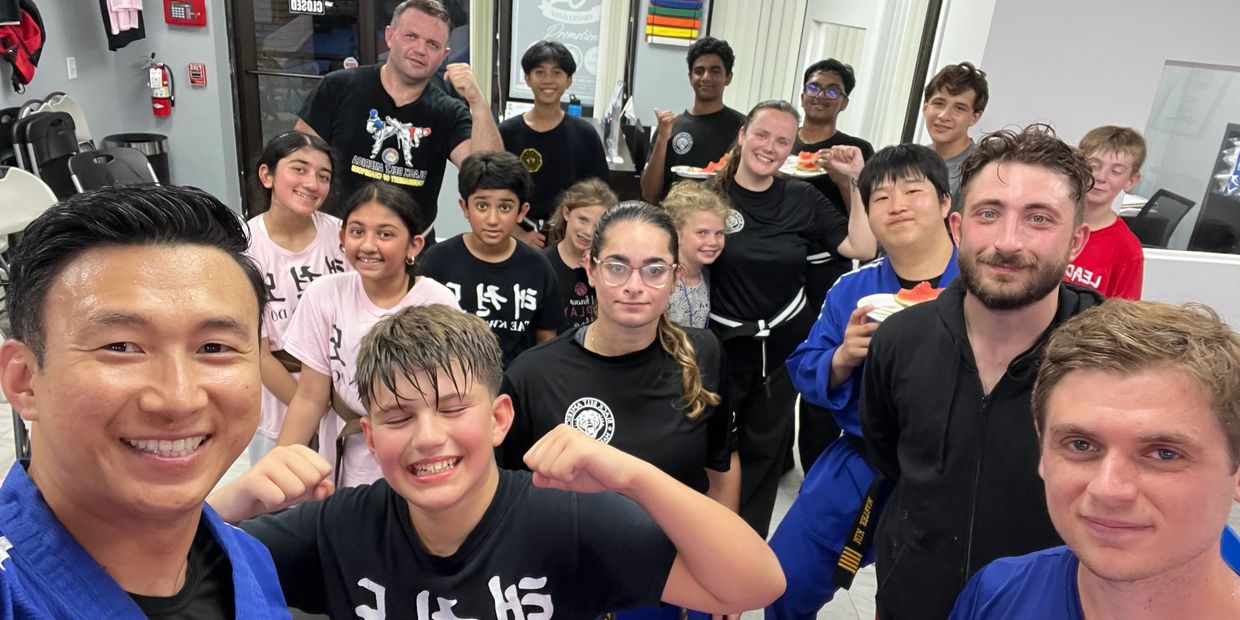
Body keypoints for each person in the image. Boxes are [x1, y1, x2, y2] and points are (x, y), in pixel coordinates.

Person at [208, 304, 786, 617]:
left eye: (453, 408)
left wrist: (634, 476)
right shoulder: (336, 527)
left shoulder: (568, 519)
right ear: (370, 434)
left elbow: (753, 585)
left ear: (499, 417)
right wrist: (232, 500)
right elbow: (143, 581)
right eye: (398, 417)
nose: (427, 438)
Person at [0, 185, 287, 616]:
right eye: (120, 347)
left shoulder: (250, 566)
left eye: (213, 348)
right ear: (24, 381)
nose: (177, 399)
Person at [861, 124, 1102, 620]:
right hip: (912, 592)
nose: (1007, 242)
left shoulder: (1114, 359)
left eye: (1038, 218)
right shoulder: (899, 341)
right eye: (988, 214)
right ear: (957, 227)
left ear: (1076, 241)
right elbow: (889, 457)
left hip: (1052, 602)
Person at [502, 201, 739, 618]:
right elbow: (502, 499)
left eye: (653, 269)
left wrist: (724, 566)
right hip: (570, 585)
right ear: (590, 270)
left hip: (673, 583)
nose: (634, 285)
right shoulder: (533, 375)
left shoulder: (704, 354)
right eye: (616, 266)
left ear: (675, 277)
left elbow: (721, 467)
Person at [951, 300, 1240, 619]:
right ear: (1043, 450)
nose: (1108, 490)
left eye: (1164, 453)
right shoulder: (997, 594)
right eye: (1081, 445)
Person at [768, 144, 960, 618]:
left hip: (952, 470)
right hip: (862, 458)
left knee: (926, 599)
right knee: (782, 581)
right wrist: (842, 357)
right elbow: (805, 366)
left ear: (945, 205)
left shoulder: (980, 288)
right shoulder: (855, 289)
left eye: (913, 191)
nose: (896, 205)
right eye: (880, 198)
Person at [709, 100, 877, 537]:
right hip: (716, 347)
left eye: (783, 141)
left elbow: (861, 247)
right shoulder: (707, 196)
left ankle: (745, 547)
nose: (770, 147)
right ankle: (703, 542)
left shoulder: (801, 197)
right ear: (743, 135)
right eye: (762, 135)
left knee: (763, 454)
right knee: (710, 451)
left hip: (778, 352)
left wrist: (857, 180)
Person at [276, 181, 458, 487]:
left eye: (385, 234)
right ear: (342, 237)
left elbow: (452, 396)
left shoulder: (435, 302)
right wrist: (278, 468)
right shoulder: (325, 295)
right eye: (357, 231)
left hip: (418, 452)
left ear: (414, 246)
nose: (368, 245)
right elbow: (310, 397)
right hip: (348, 457)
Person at [294, 0, 502, 239]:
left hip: (412, 250)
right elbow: (299, 160)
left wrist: (478, 101)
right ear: (390, 36)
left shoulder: (448, 111)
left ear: (445, 55)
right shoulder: (338, 87)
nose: (420, 49)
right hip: (336, 240)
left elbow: (489, 176)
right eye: (411, 36)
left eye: (432, 44)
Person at [245, 131, 349, 465]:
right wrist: (313, 408)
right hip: (280, 399)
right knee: (281, 494)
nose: (312, 183)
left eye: (323, 176)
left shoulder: (343, 235)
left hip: (345, 399)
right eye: (299, 169)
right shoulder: (245, 247)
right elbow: (258, 356)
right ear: (267, 175)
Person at [793, 58, 877, 473]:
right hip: (778, 271)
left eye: (832, 90)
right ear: (802, 91)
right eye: (814, 86)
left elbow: (864, 227)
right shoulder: (780, 142)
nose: (821, 96)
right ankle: (775, 461)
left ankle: (816, 468)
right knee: (774, 373)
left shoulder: (854, 150)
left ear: (844, 102)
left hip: (830, 270)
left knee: (822, 370)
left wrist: (845, 178)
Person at [416, 151, 562, 366]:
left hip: (515, 389)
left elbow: (547, 342)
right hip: (451, 386)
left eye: (505, 207)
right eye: (482, 206)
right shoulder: (437, 261)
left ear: (521, 212)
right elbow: (418, 334)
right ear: (464, 207)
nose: (493, 219)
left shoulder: (538, 267)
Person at [499, 40, 610, 248]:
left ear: (568, 80)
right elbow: (496, 191)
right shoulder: (507, 132)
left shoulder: (585, 134)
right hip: (517, 238)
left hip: (571, 241)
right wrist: (518, 235)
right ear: (527, 78)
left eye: (557, 73)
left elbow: (601, 196)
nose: (548, 80)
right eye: (539, 72)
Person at [640, 36, 747, 203]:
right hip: (674, 220)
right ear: (690, 77)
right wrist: (662, 139)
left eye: (715, 71)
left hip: (721, 221)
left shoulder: (743, 129)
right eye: (699, 71)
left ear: (728, 77)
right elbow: (649, 194)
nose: (706, 77)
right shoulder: (671, 127)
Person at [1062, 126, 1146, 299]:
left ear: (1131, 180)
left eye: (1116, 171)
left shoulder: (1127, 249)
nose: (1101, 177)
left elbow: (1122, 318)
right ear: (1077, 166)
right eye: (1094, 166)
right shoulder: (1048, 222)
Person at [542, 177, 618, 331]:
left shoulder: (611, 267)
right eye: (583, 220)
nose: (588, 232)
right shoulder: (542, 263)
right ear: (566, 213)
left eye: (598, 225)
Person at [922, 61, 989, 210]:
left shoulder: (980, 169)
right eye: (939, 103)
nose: (944, 115)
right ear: (925, 107)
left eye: (959, 108)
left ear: (975, 117)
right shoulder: (911, 160)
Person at [663, 181, 730, 329]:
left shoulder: (707, 275)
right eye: (702, 233)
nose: (713, 241)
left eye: (719, 233)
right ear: (676, 233)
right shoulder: (662, 281)